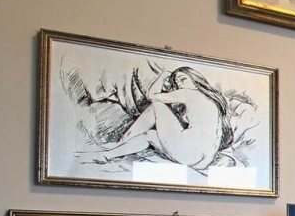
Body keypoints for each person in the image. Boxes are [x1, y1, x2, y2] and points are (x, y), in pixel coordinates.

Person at [81, 67, 230, 170]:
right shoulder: (212, 100)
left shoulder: (190, 93)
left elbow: (152, 96)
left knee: (157, 105)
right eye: (176, 82)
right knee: (150, 136)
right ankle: (107, 155)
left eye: (183, 79)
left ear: (195, 79)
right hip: (203, 160)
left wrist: (162, 75)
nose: (179, 84)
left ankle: (120, 142)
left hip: (191, 151)